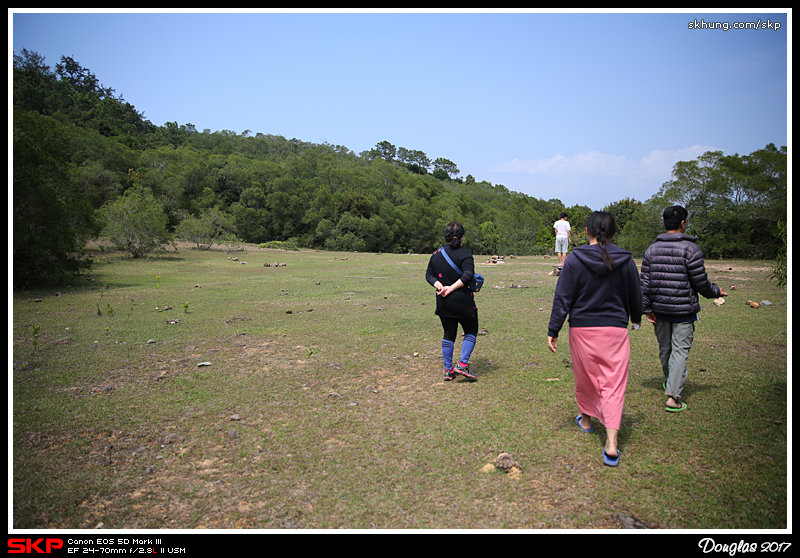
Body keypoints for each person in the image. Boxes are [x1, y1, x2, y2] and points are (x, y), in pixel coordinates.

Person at [547, 211, 642, 466]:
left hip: (582, 331)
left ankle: (587, 420)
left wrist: (553, 330)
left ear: (587, 232)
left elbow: (563, 297)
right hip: (615, 330)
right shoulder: (626, 260)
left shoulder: (575, 260)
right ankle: (611, 443)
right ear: (613, 234)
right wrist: (637, 318)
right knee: (613, 383)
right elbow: (636, 294)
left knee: (586, 377)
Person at [640, 206, 727, 413]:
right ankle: (672, 396)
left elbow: (644, 284)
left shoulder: (651, 250)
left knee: (665, 350)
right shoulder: (690, 249)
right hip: (683, 311)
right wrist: (715, 292)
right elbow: (700, 283)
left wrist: (647, 308)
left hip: (659, 310)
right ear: (683, 223)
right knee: (679, 351)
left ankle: (671, 382)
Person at [426, 222, 479, 382]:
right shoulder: (465, 254)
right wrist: (451, 288)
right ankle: (462, 364)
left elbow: (429, 275)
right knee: (471, 331)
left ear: (446, 236)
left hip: (443, 301)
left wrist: (440, 286)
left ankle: (448, 370)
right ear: (462, 237)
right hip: (463, 301)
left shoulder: (436, 254)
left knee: (448, 334)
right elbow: (468, 275)